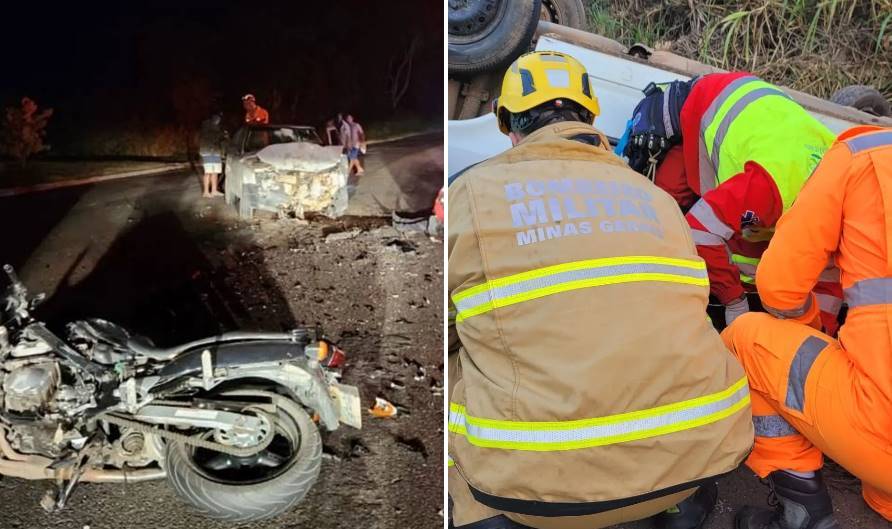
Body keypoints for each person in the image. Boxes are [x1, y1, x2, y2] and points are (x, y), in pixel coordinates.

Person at [447, 51, 753, 529]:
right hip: (695, 464)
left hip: (535, 499)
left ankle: (474, 513)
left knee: (453, 355)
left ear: (505, 122)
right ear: (590, 116)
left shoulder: (471, 194)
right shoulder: (656, 199)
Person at [722, 126, 892, 528]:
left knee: (746, 339)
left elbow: (779, 287)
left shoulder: (865, 152)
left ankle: (802, 513)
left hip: (883, 434)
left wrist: (810, 335)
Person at [622, 73, 843, 333]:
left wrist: (821, 331)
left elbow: (829, 277)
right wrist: (734, 300)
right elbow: (699, 230)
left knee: (749, 234)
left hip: (767, 127)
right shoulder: (771, 189)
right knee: (670, 214)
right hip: (703, 109)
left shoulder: (838, 203)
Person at [198, 113, 226, 198]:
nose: (218, 119)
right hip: (207, 152)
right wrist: (222, 135)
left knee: (215, 172)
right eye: (217, 117)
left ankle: (214, 190)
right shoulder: (207, 126)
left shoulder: (217, 126)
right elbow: (214, 136)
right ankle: (206, 192)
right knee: (208, 172)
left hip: (216, 152)